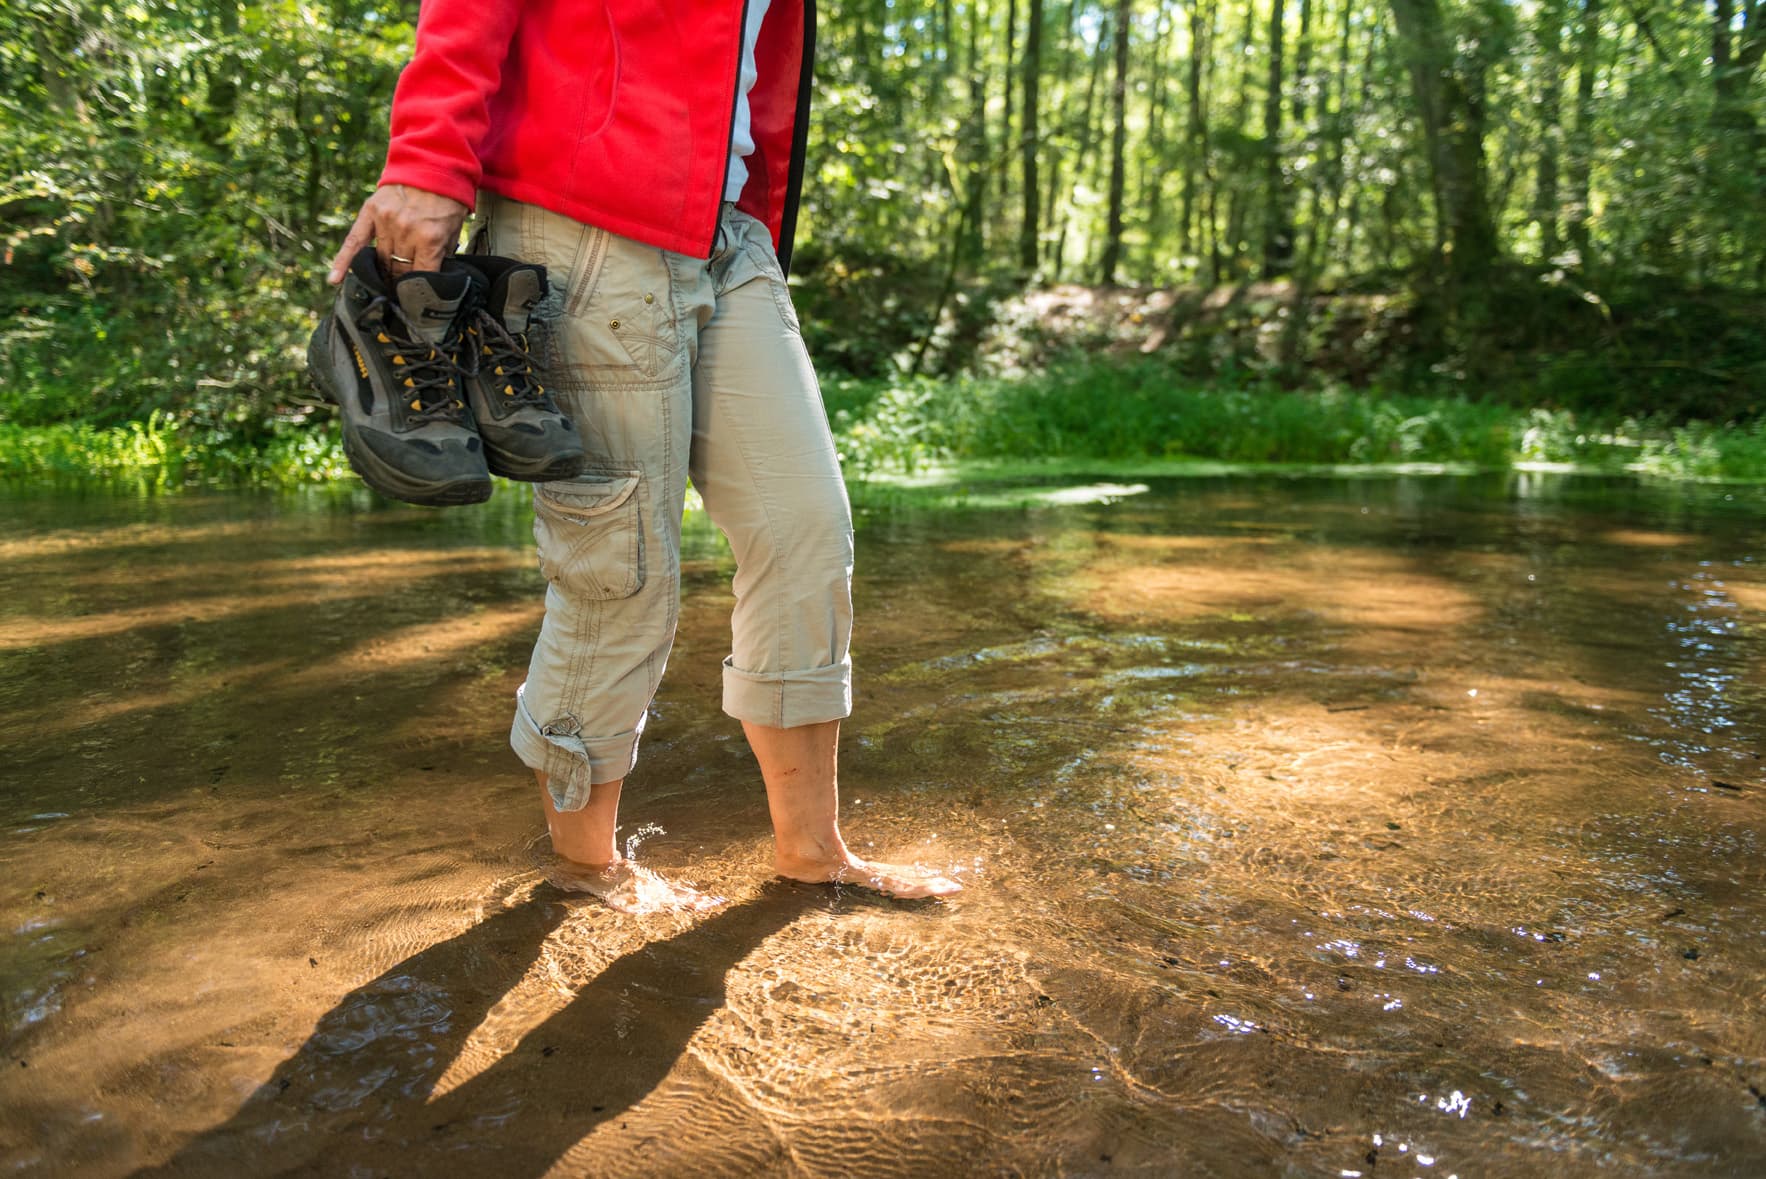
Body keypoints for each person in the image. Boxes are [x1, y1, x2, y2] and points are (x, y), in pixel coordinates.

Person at [325, 0, 961, 909]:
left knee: (807, 532)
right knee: (620, 561)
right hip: (585, 212)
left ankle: (815, 852)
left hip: (729, 232)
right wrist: (428, 159)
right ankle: (586, 869)